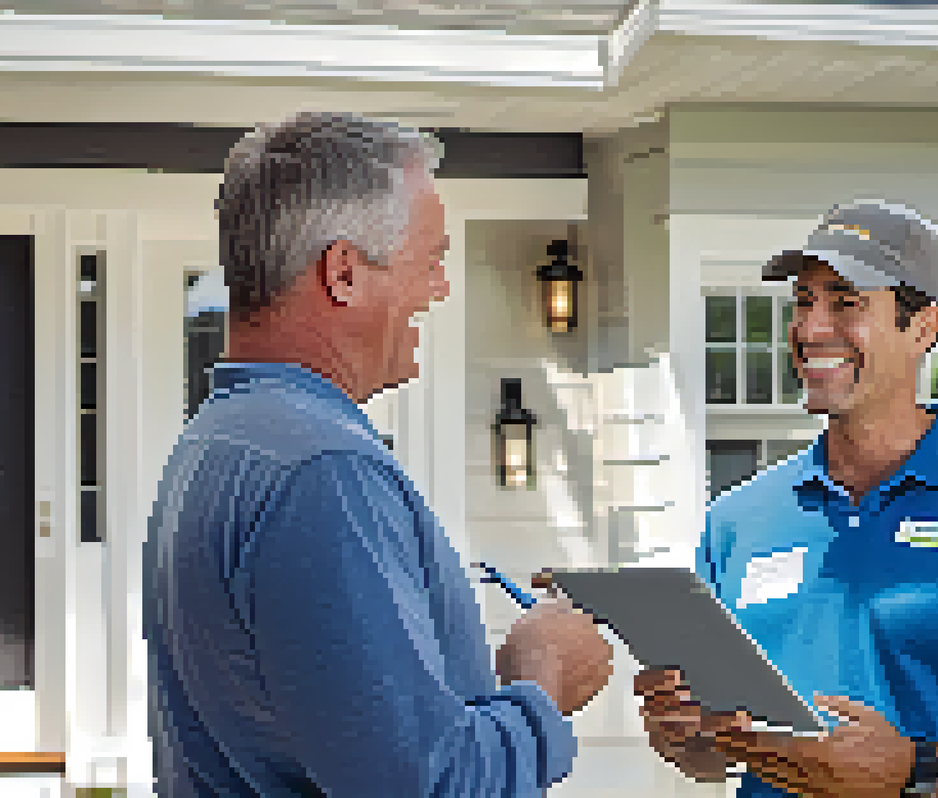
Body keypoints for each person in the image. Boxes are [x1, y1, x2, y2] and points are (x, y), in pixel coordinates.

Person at [143, 111, 614, 798]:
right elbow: (424, 786)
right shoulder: (322, 472)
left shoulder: (218, 442)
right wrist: (542, 682)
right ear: (344, 273)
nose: (441, 288)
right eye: (431, 261)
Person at [635, 201, 938, 798]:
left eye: (846, 303)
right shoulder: (736, 522)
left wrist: (915, 771)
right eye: (803, 302)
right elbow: (714, 759)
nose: (810, 329)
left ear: (925, 327)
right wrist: (685, 735)